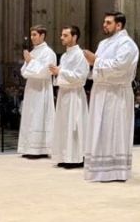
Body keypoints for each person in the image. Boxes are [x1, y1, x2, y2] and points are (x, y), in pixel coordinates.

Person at [83, 12, 140, 182]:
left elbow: (120, 67)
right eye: (104, 22)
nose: (104, 25)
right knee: (100, 130)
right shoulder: (103, 43)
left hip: (117, 94)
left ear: (119, 25)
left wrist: (96, 61)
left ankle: (116, 170)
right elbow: (97, 66)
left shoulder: (127, 44)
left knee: (114, 130)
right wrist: (91, 63)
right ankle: (100, 169)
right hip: (101, 91)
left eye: (108, 22)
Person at [49, 26, 89, 169]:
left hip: (74, 95)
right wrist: (56, 72)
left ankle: (76, 157)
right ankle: (64, 156)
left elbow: (81, 77)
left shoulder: (80, 55)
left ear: (74, 37)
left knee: (75, 125)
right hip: (63, 94)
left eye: (65, 35)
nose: (62, 38)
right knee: (63, 125)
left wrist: (60, 71)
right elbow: (62, 75)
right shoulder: (65, 56)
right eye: (62, 35)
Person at [17, 25, 56, 159]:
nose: (32, 37)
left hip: (41, 90)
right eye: (32, 35)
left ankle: (40, 149)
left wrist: (30, 62)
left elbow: (45, 72)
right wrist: (29, 62)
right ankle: (29, 148)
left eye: (35, 34)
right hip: (31, 89)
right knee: (29, 116)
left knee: (39, 116)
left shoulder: (48, 52)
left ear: (42, 35)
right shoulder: (33, 52)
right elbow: (23, 72)